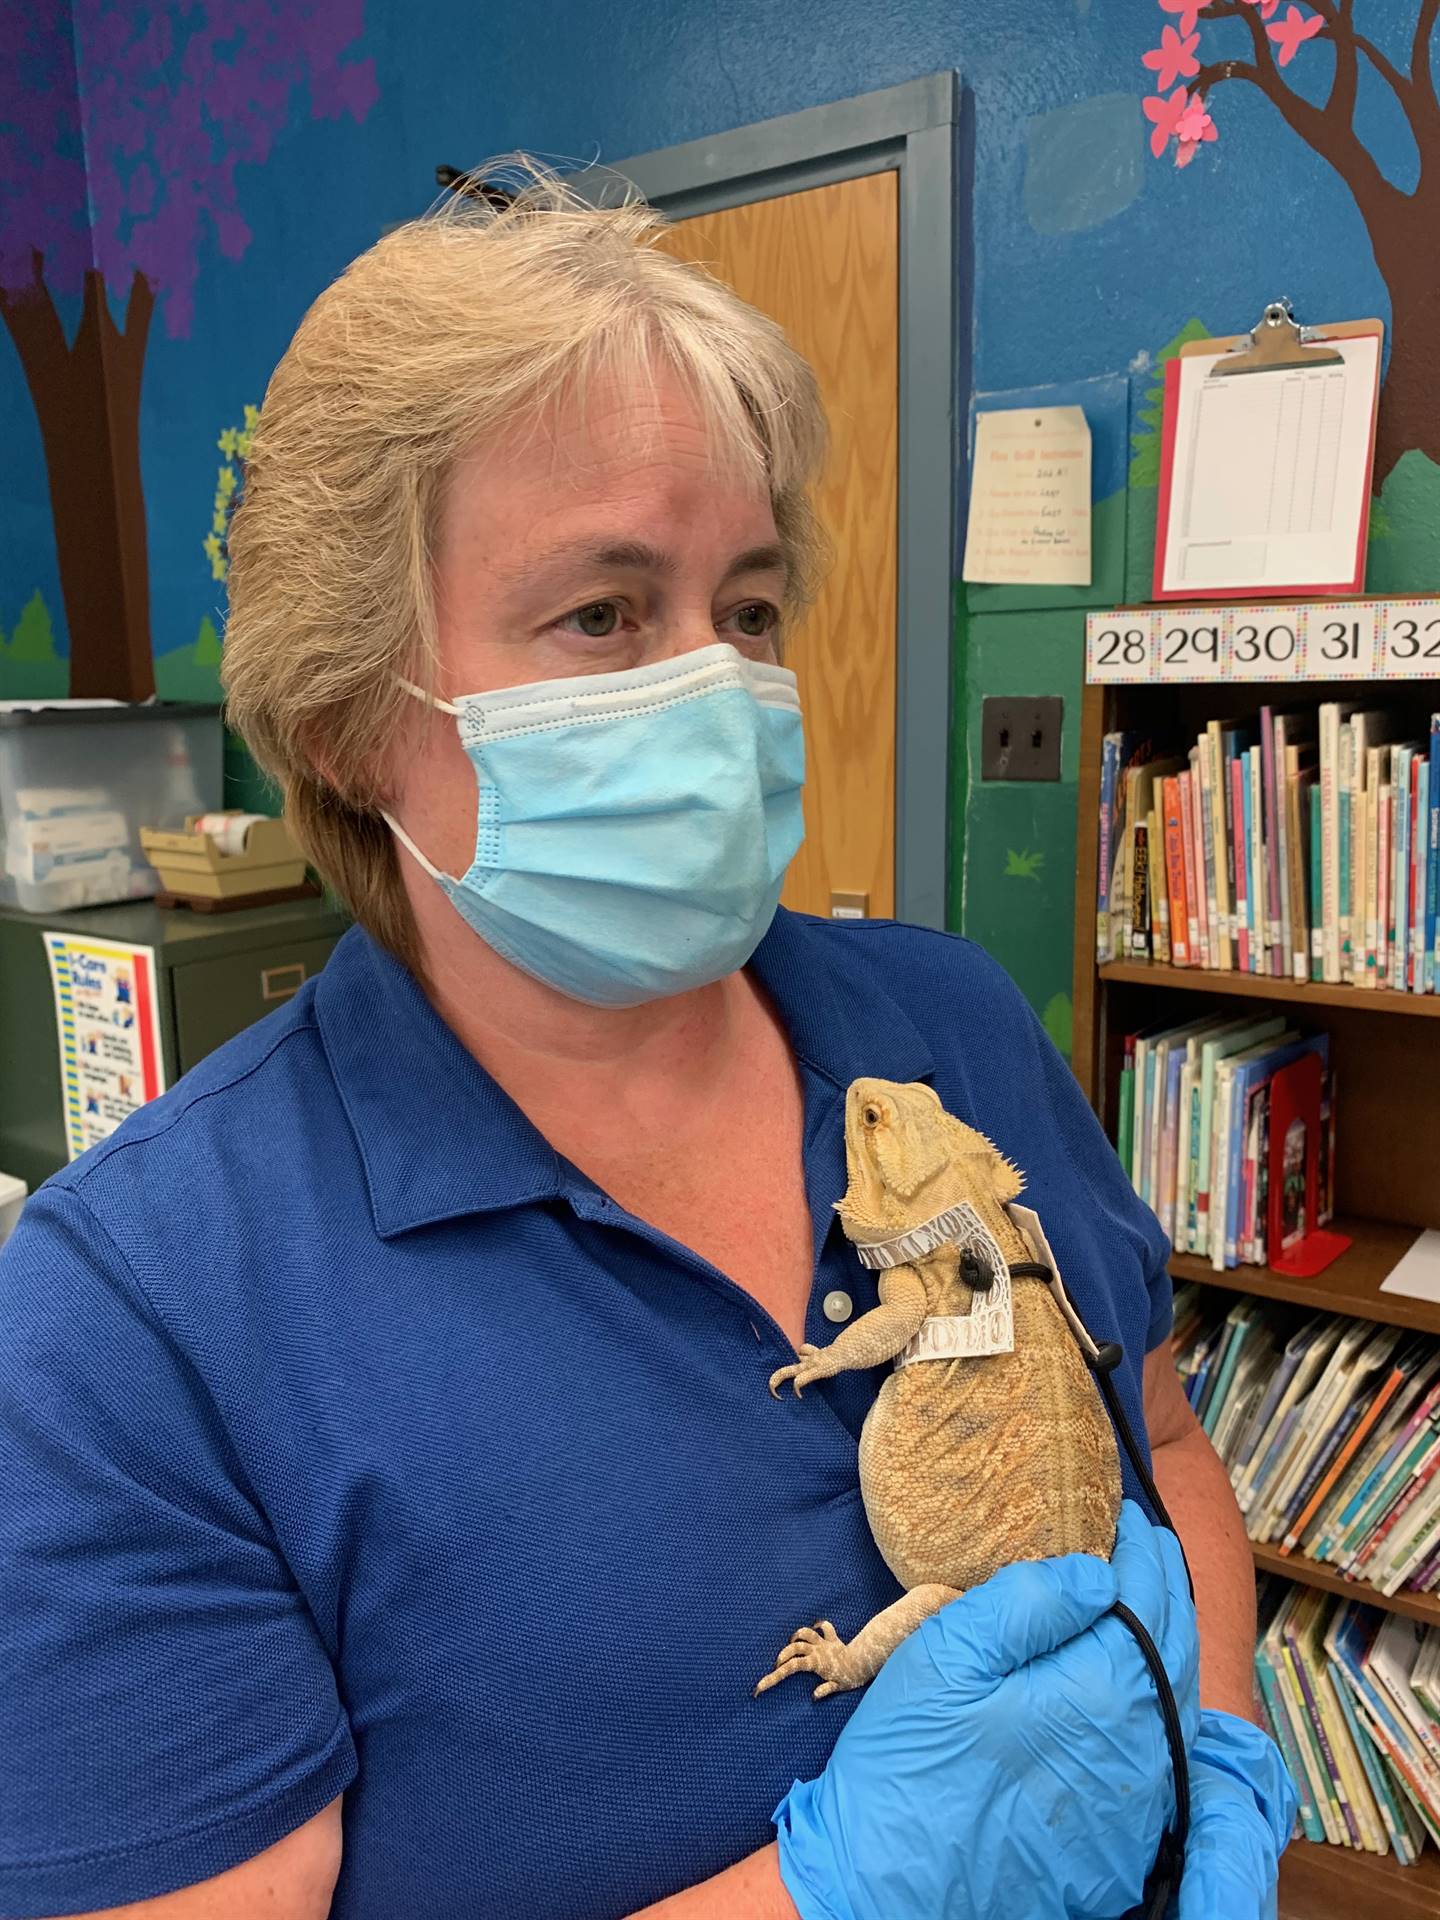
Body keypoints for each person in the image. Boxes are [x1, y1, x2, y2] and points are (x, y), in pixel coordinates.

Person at [0, 164, 1293, 1920]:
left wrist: (1217, 1750)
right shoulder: (138, 1316)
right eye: (605, 613)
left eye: (747, 609)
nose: (719, 685)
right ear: (350, 715)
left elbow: (1170, 1445)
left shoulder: (946, 1026)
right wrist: (845, 1893)